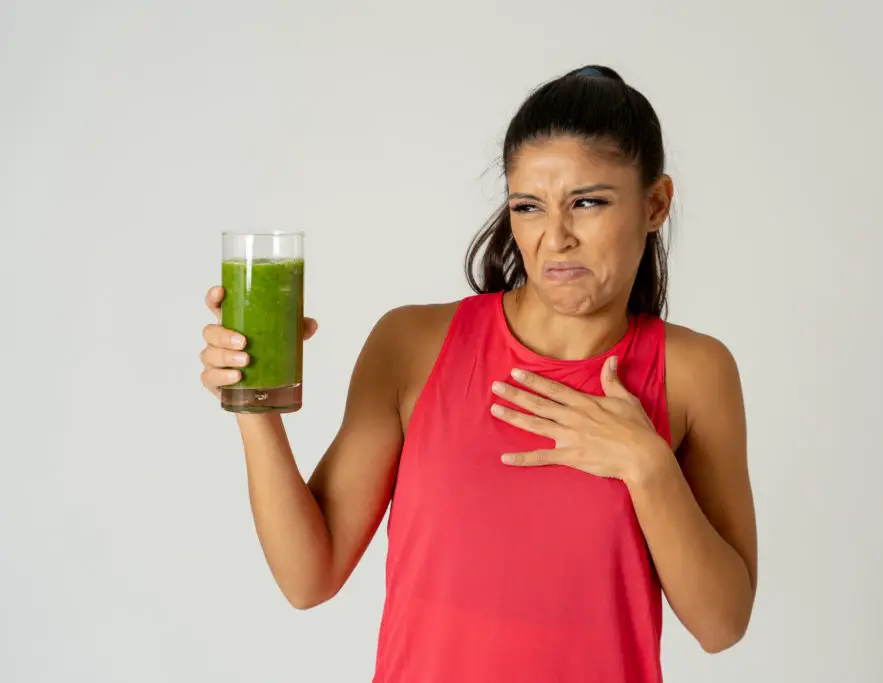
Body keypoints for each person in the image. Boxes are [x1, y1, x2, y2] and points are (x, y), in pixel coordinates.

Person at [199, 64, 757, 683]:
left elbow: (722, 625)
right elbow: (309, 578)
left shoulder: (694, 373)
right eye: (529, 207)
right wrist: (253, 404)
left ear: (655, 204)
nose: (556, 238)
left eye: (588, 202)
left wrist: (645, 463)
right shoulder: (412, 344)